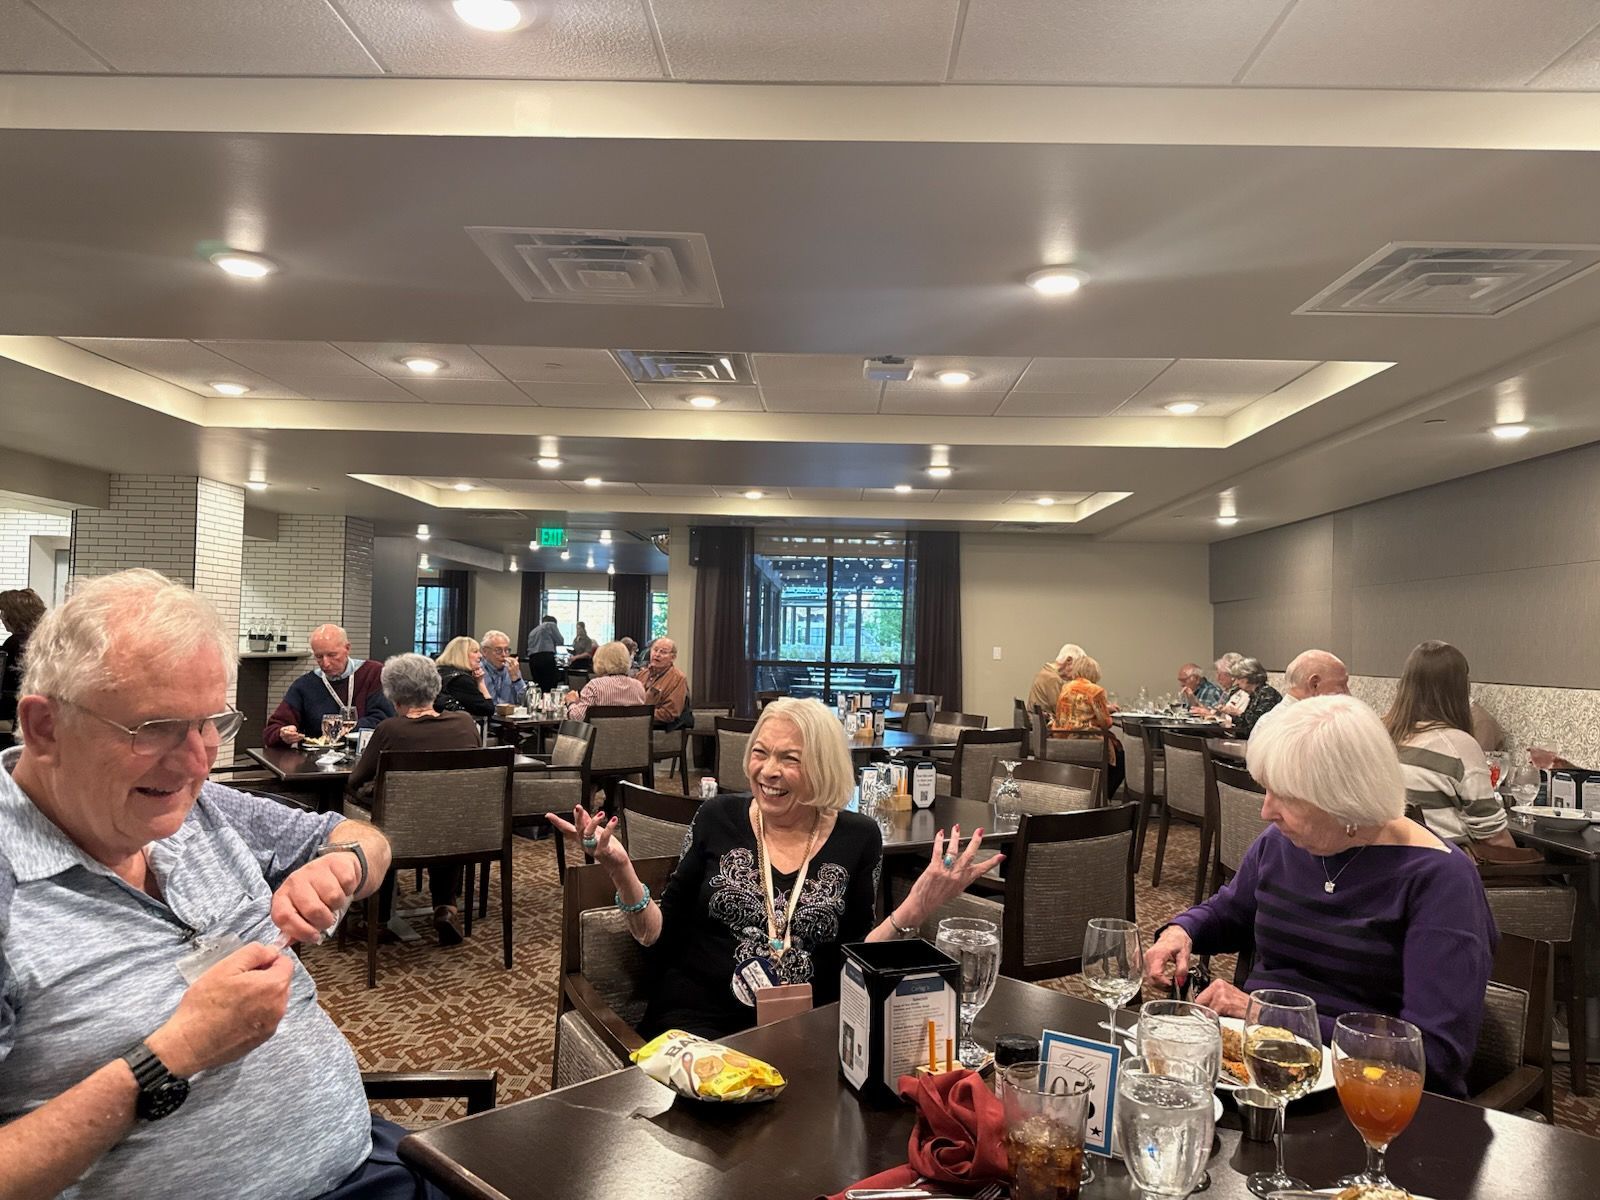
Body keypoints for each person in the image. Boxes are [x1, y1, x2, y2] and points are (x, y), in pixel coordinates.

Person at [0, 569, 442, 1198]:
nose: (196, 761)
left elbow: (361, 838)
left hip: (368, 1165)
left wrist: (344, 867)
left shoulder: (198, 807)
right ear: (45, 727)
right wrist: (169, 1058)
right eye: (154, 728)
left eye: (211, 722)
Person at [548, 697, 1002, 1039]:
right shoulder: (717, 817)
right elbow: (655, 935)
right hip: (698, 1022)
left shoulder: (858, 836)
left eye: (790, 758)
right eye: (760, 753)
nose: (768, 770)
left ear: (822, 767)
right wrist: (620, 869)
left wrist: (917, 905)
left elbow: (857, 957)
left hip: (813, 1026)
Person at [1144, 696, 1496, 1099]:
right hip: (1263, 1074)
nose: (1266, 811)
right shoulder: (1283, 844)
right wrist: (1182, 931)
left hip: (1371, 1098)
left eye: (1286, 796)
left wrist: (1265, 1017)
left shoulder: (1440, 880)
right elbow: (1232, 911)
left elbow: (1433, 1055)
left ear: (1345, 797)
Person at [345, 653, 480, 944]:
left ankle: (376, 918)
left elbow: (355, 781)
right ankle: (445, 906)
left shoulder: (390, 730)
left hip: (400, 834)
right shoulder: (466, 724)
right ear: (435, 687)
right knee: (444, 810)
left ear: (393, 696)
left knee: (380, 821)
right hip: (459, 832)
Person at [1383, 640, 1514, 848]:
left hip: (1394, 863)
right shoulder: (1458, 745)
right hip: (1447, 868)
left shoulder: (1381, 736)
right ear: (1460, 689)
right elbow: (1494, 837)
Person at [262, 623, 394, 748]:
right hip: (317, 760)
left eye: (332, 655)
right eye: (319, 657)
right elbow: (272, 730)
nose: (325, 663)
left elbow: (383, 719)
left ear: (347, 648)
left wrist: (344, 729)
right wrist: (283, 734)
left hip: (364, 755)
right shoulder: (305, 685)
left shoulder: (373, 673)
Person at [1050, 654, 1124, 797]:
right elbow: (1106, 723)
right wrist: (1104, 712)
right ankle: (1101, 796)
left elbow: (1075, 710)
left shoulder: (1066, 687)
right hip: (1085, 740)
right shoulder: (1095, 690)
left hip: (1063, 738)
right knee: (1121, 759)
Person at [564, 641, 647, 721]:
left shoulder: (594, 686)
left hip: (601, 734)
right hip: (633, 734)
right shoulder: (638, 686)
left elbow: (577, 718)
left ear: (599, 661)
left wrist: (571, 702)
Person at [1, 587, 46, 731]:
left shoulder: (14, 643)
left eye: (3, 613)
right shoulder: (45, 638)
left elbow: (4, 683)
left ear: (13, 615)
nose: (1, 617)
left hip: (15, 705)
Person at [1219, 657, 1282, 739]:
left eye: (1239, 678)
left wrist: (1237, 713)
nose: (1236, 682)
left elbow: (1254, 725)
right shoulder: (1255, 694)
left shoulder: (1267, 694)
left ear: (1249, 678)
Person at [434, 636, 495, 718]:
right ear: (462, 655)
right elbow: (487, 709)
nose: (480, 655)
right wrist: (481, 682)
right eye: (475, 652)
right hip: (455, 727)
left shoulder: (437, 671)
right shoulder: (461, 680)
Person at [635, 636, 689, 728]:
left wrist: (640, 714)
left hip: (661, 727)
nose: (657, 654)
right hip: (638, 723)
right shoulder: (641, 675)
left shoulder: (678, 679)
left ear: (673, 657)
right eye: (655, 650)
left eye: (663, 652)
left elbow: (670, 713)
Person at [1026, 643, 1083, 713]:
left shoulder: (1045, 673)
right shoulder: (1052, 679)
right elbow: (1062, 711)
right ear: (1068, 660)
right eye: (1077, 667)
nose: (1076, 673)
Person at [1190, 651, 1246, 718]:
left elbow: (1231, 722)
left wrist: (1208, 715)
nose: (1217, 678)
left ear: (1232, 676)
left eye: (1220, 674)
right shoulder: (1227, 692)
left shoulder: (1244, 694)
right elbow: (1215, 714)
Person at [477, 629, 525, 706]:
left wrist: (516, 680)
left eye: (506, 650)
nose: (504, 655)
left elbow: (525, 702)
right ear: (484, 651)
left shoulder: (512, 668)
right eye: (498, 650)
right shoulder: (479, 670)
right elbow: (492, 704)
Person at [525, 614, 563, 691]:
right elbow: (560, 640)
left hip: (533, 660)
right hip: (545, 658)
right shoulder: (550, 624)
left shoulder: (533, 631)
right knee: (550, 684)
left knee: (539, 685)